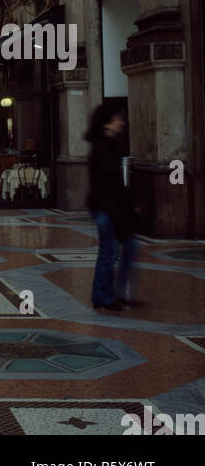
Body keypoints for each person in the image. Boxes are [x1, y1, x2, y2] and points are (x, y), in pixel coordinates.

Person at [86, 101, 139, 311]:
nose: (121, 123)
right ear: (106, 123)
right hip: (106, 208)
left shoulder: (109, 145)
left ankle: (107, 295)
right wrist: (128, 201)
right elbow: (110, 182)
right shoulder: (102, 148)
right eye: (117, 119)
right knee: (109, 253)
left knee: (113, 252)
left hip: (110, 208)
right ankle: (104, 297)